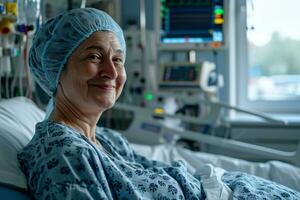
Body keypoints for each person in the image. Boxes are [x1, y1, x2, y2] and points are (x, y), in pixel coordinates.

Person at [18, 8, 300, 200]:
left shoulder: (105, 139)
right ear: (56, 69)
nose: (112, 72)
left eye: (118, 59)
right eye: (94, 57)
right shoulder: (64, 153)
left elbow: (156, 171)